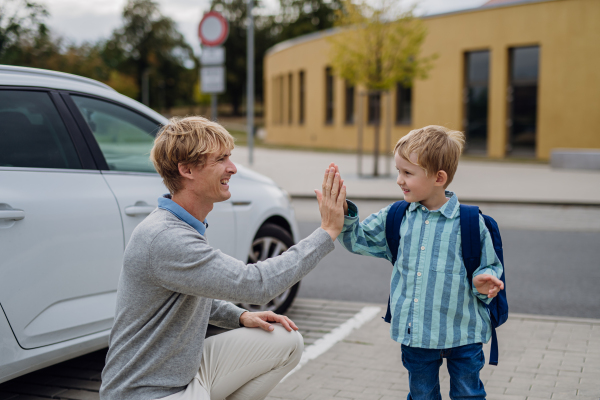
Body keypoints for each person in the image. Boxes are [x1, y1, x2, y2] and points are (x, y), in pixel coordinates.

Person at [100, 116, 347, 400]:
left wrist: (241, 316)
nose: (233, 168)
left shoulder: (182, 224)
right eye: (221, 159)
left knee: (285, 340)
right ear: (187, 169)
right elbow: (256, 284)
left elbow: (194, 294)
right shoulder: (166, 237)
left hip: (184, 375)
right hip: (147, 392)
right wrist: (327, 231)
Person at [337, 125, 504, 400]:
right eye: (398, 171)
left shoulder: (471, 223)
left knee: (468, 395)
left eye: (407, 173)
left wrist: (483, 282)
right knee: (422, 396)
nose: (399, 180)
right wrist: (344, 211)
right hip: (417, 337)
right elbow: (359, 239)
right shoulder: (397, 216)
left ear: (439, 177)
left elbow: (489, 268)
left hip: (463, 334)